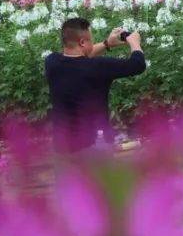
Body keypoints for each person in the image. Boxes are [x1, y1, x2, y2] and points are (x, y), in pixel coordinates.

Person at [45, 18, 146, 153]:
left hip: (62, 146)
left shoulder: (52, 62)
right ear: (82, 42)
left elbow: (80, 57)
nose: (92, 43)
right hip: (94, 148)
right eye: (90, 40)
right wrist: (135, 43)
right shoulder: (99, 66)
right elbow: (137, 65)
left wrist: (107, 44)